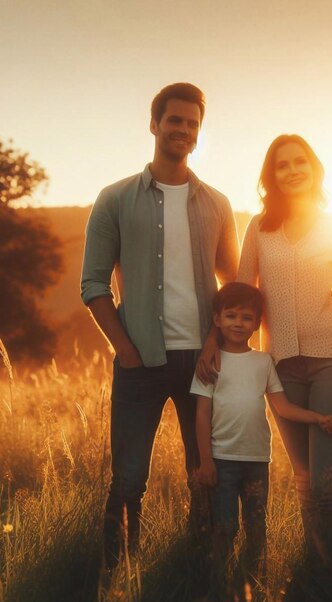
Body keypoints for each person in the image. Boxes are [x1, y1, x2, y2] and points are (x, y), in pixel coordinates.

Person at [80, 82, 239, 568]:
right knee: (128, 478)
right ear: (154, 125)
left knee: (204, 474)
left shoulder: (217, 203)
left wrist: (216, 341)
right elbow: (92, 284)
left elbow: (233, 285)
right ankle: (116, 576)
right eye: (175, 120)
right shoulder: (115, 198)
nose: (184, 130)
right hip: (139, 361)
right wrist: (125, 348)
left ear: (198, 134)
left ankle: (199, 570)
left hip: (204, 364)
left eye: (193, 124)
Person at [199, 134, 332, 569]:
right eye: (282, 165)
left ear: (314, 169)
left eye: (301, 162)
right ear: (270, 175)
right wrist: (215, 345)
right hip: (280, 367)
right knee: (303, 478)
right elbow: (239, 292)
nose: (293, 170)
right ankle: (316, 567)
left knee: (327, 481)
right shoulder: (260, 227)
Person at [191, 282, 332, 587]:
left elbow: (283, 407)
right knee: (225, 525)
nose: (238, 323)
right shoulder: (211, 363)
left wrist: (317, 417)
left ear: (257, 323)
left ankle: (252, 580)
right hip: (222, 460)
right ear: (217, 319)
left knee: (257, 522)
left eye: (246, 317)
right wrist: (205, 461)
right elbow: (202, 414)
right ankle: (219, 581)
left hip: (257, 461)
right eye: (230, 316)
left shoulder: (263, 362)